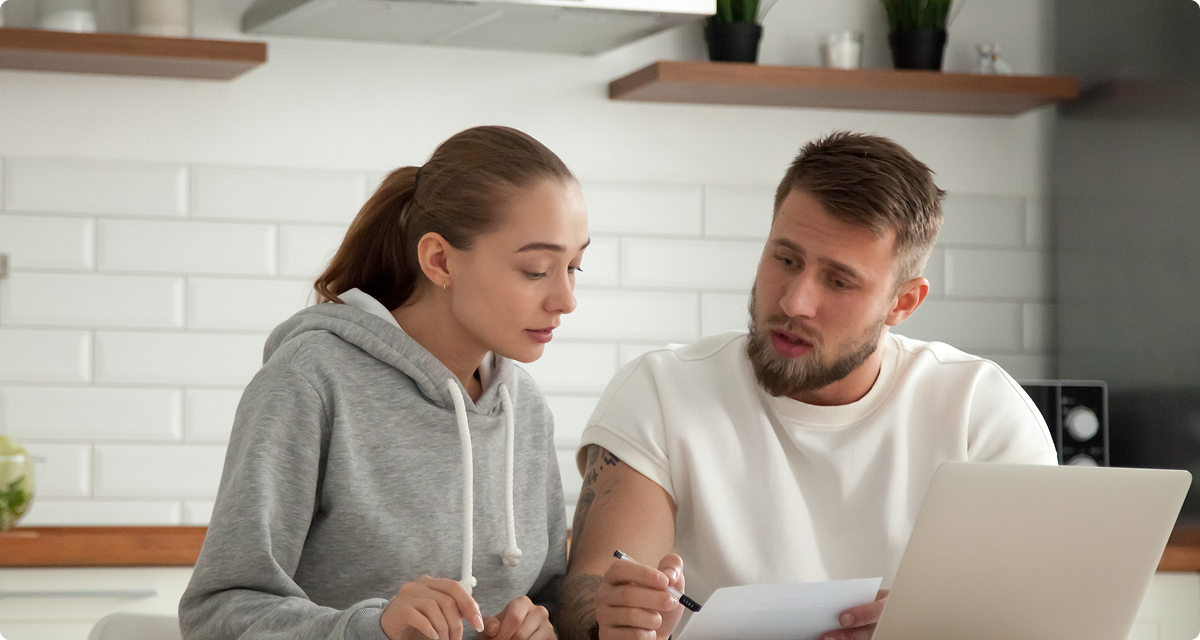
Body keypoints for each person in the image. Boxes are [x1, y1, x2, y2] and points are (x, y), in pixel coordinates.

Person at [556, 132, 1058, 640]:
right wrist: (613, 621)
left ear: (903, 303)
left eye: (839, 281)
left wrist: (929, 629)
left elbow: (1043, 618)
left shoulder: (982, 412)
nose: (795, 302)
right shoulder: (663, 392)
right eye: (786, 260)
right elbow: (590, 587)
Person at [179, 125, 590, 640]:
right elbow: (216, 613)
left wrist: (539, 628)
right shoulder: (310, 380)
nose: (566, 299)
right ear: (439, 260)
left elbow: (546, 599)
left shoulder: (523, 407)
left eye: (574, 266)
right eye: (536, 270)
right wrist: (372, 630)